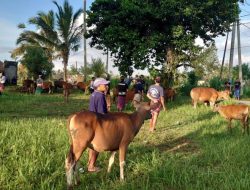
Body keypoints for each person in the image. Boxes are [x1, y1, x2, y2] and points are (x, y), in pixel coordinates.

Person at [87, 77, 110, 172]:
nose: (106, 86)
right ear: (99, 86)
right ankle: (91, 166)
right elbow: (101, 113)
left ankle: (89, 163)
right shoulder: (100, 96)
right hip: (98, 123)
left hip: (91, 120)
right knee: (97, 145)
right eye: (104, 84)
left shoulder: (94, 94)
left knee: (91, 146)